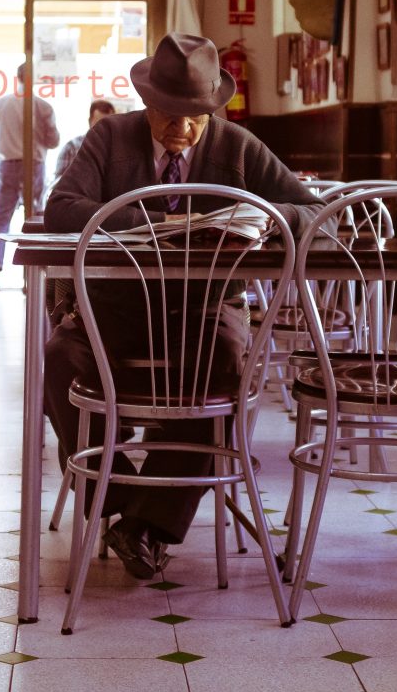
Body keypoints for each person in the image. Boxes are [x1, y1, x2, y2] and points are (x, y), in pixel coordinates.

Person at [43, 31, 319, 581]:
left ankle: (148, 526)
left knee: (227, 369)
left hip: (205, 311)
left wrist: (266, 218)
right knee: (58, 359)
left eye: (196, 115)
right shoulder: (109, 137)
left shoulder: (237, 145)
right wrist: (155, 221)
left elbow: (313, 213)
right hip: (113, 313)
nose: (182, 128)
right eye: (169, 113)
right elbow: (62, 209)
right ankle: (120, 503)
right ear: (147, 102)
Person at [0, 62, 59, 290]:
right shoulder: (43, 107)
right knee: (34, 217)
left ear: (16, 78)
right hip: (34, 165)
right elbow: (54, 141)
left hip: (5, 165)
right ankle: (30, 277)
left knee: (0, 217)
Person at [53, 98, 116, 183]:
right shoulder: (71, 148)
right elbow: (59, 184)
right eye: (98, 124)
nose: (103, 130)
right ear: (89, 121)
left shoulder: (119, 150)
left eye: (108, 125)